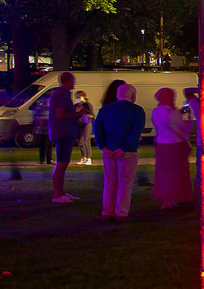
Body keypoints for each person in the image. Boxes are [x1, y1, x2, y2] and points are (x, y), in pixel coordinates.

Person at [94, 83, 145, 220]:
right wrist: (125, 148)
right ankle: (121, 211)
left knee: (110, 181)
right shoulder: (137, 111)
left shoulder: (105, 110)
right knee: (125, 182)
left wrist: (103, 147)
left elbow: (97, 129)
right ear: (133, 96)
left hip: (109, 150)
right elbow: (136, 133)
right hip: (127, 152)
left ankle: (108, 211)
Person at [46, 72, 88, 203]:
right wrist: (78, 114)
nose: (74, 82)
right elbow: (61, 114)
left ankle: (62, 192)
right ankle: (57, 195)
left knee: (64, 163)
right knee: (61, 163)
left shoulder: (62, 94)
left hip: (65, 131)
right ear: (68, 80)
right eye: (73, 80)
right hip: (62, 132)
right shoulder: (61, 94)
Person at [151, 87, 193, 209]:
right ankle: (172, 198)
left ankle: (166, 199)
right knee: (175, 172)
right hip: (175, 145)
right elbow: (184, 128)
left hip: (161, 145)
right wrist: (188, 116)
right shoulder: (173, 113)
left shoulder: (156, 111)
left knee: (164, 172)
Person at [184, 87, 203, 194]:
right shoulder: (199, 106)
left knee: (199, 174)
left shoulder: (198, 106)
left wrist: (199, 89)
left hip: (202, 143)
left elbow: (187, 91)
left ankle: (199, 199)